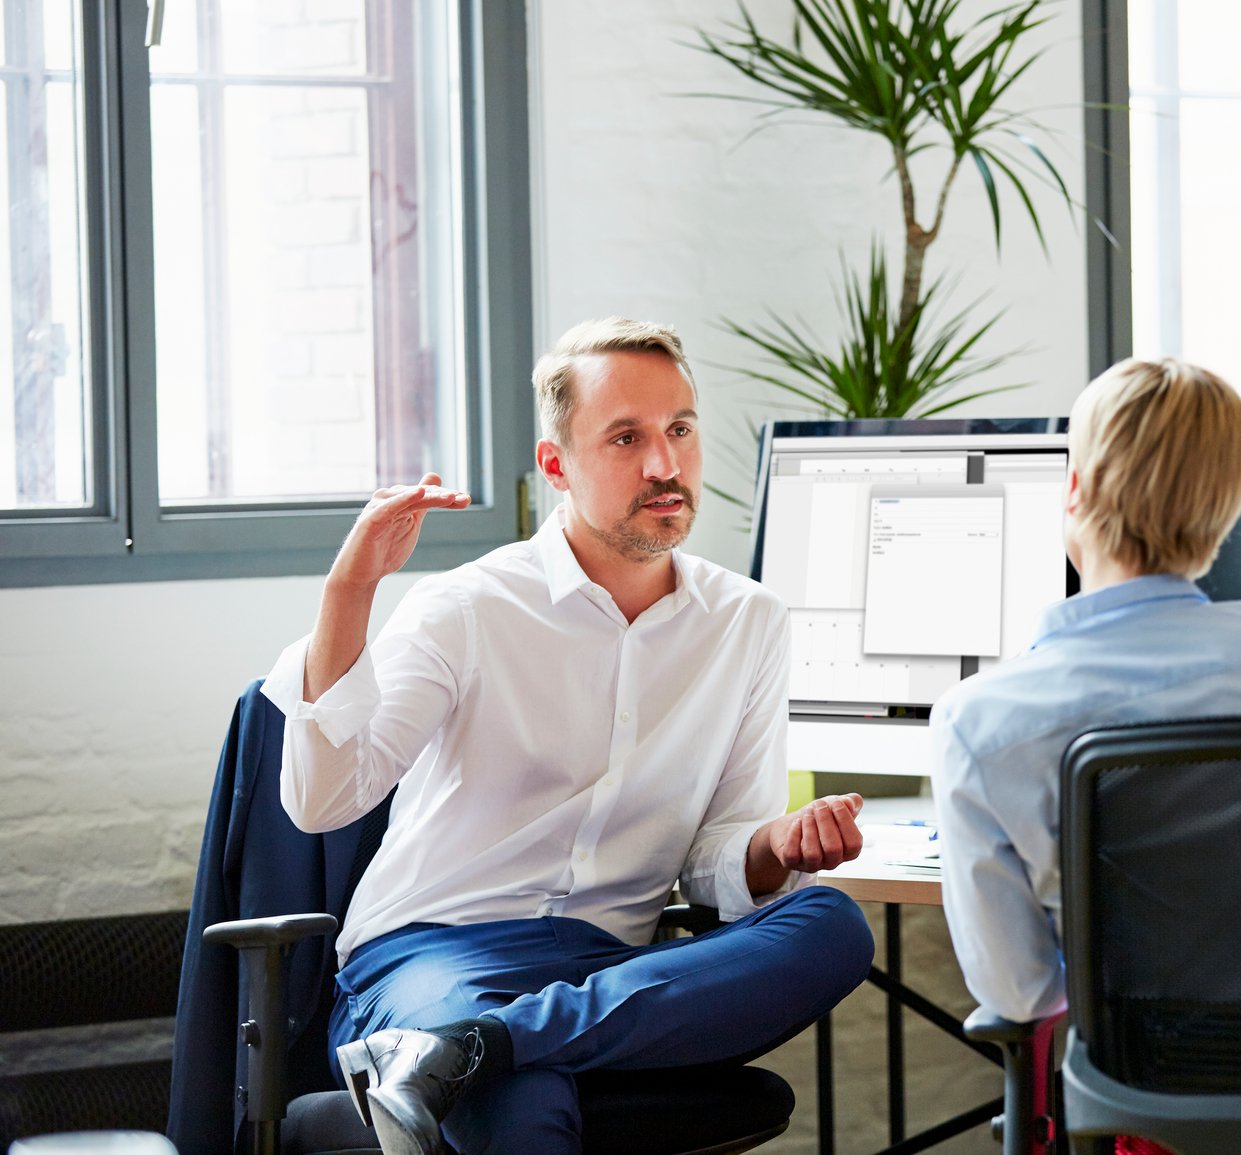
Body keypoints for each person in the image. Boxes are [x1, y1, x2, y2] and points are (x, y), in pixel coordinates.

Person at [260, 317, 875, 1155]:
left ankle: (471, 1052)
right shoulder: (468, 606)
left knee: (831, 926)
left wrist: (777, 844)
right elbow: (322, 799)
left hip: (609, 970)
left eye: (680, 431)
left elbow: (714, 856)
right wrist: (350, 591)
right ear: (557, 464)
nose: (665, 465)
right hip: (437, 955)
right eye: (626, 437)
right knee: (522, 1107)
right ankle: (481, 1047)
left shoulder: (748, 621)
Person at [930, 357, 1241, 1025]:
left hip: (1144, 1106)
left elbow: (1021, 992)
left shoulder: (979, 722)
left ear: (1075, 490)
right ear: (1226, 512)